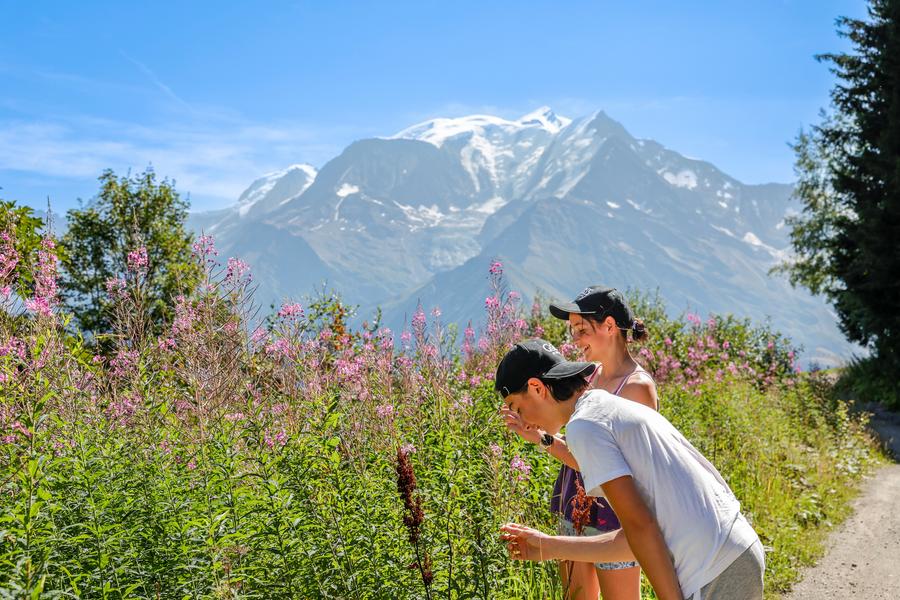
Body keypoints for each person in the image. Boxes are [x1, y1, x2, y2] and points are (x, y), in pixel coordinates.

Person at [495, 339, 764, 600]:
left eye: (516, 407)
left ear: (537, 387)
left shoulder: (584, 426)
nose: (523, 421)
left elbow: (641, 528)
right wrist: (546, 545)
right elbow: (632, 541)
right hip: (731, 551)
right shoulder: (601, 406)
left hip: (713, 565)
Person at [502, 286, 657, 600]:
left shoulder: (637, 388)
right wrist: (541, 437)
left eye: (581, 330)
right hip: (573, 504)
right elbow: (582, 451)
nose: (574, 340)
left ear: (610, 327)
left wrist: (548, 440)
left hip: (613, 519)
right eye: (572, 330)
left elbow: (614, 471)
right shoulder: (590, 375)